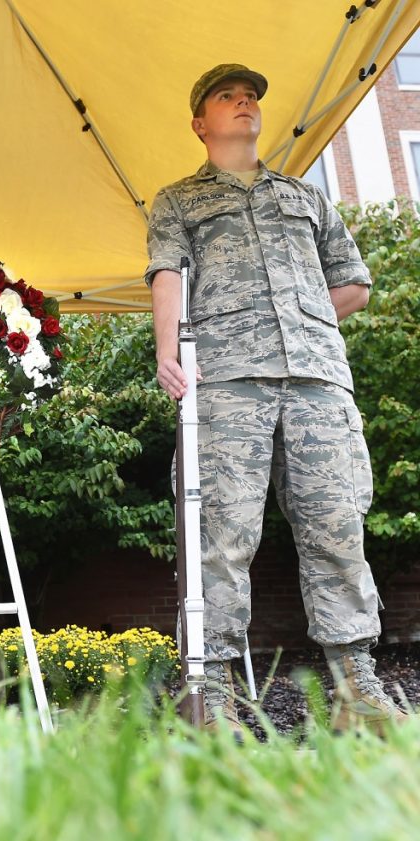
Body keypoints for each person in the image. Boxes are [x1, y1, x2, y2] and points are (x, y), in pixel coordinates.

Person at [146, 63, 407, 734]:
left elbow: (354, 285)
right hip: (227, 383)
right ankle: (212, 691)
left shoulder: (306, 197)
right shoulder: (177, 200)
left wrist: (301, 319)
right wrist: (168, 348)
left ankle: (356, 689)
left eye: (252, 96)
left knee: (337, 527)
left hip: (318, 382)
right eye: (228, 97)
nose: (245, 103)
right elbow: (167, 273)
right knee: (221, 537)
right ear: (200, 122)